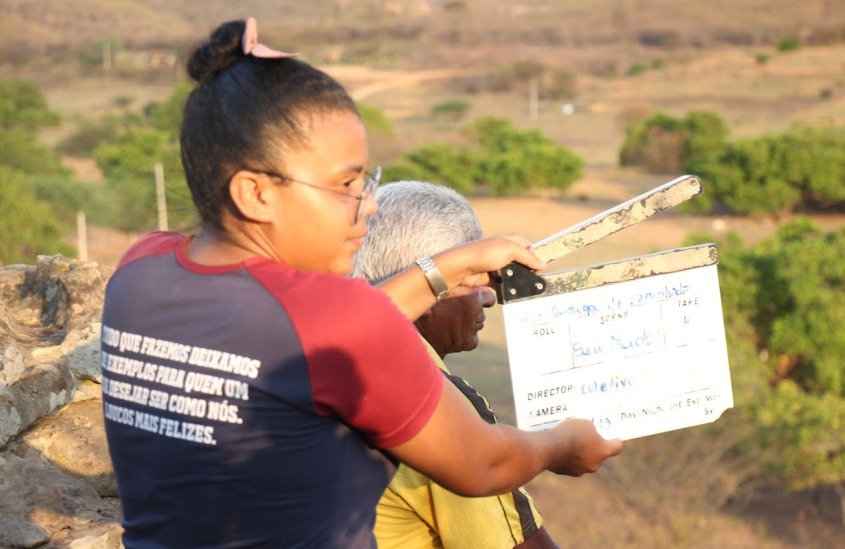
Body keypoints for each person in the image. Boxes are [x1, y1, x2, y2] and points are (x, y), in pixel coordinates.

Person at [99, 17, 622, 549]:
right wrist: (562, 444)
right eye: (346, 183)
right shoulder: (338, 317)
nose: (368, 203)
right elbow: (484, 465)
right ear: (255, 193)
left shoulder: (139, 272)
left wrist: (444, 269)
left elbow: (316, 335)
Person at [353, 181, 561, 549]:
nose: (488, 297)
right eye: (472, 278)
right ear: (425, 286)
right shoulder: (434, 400)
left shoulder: (326, 357)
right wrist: (561, 446)